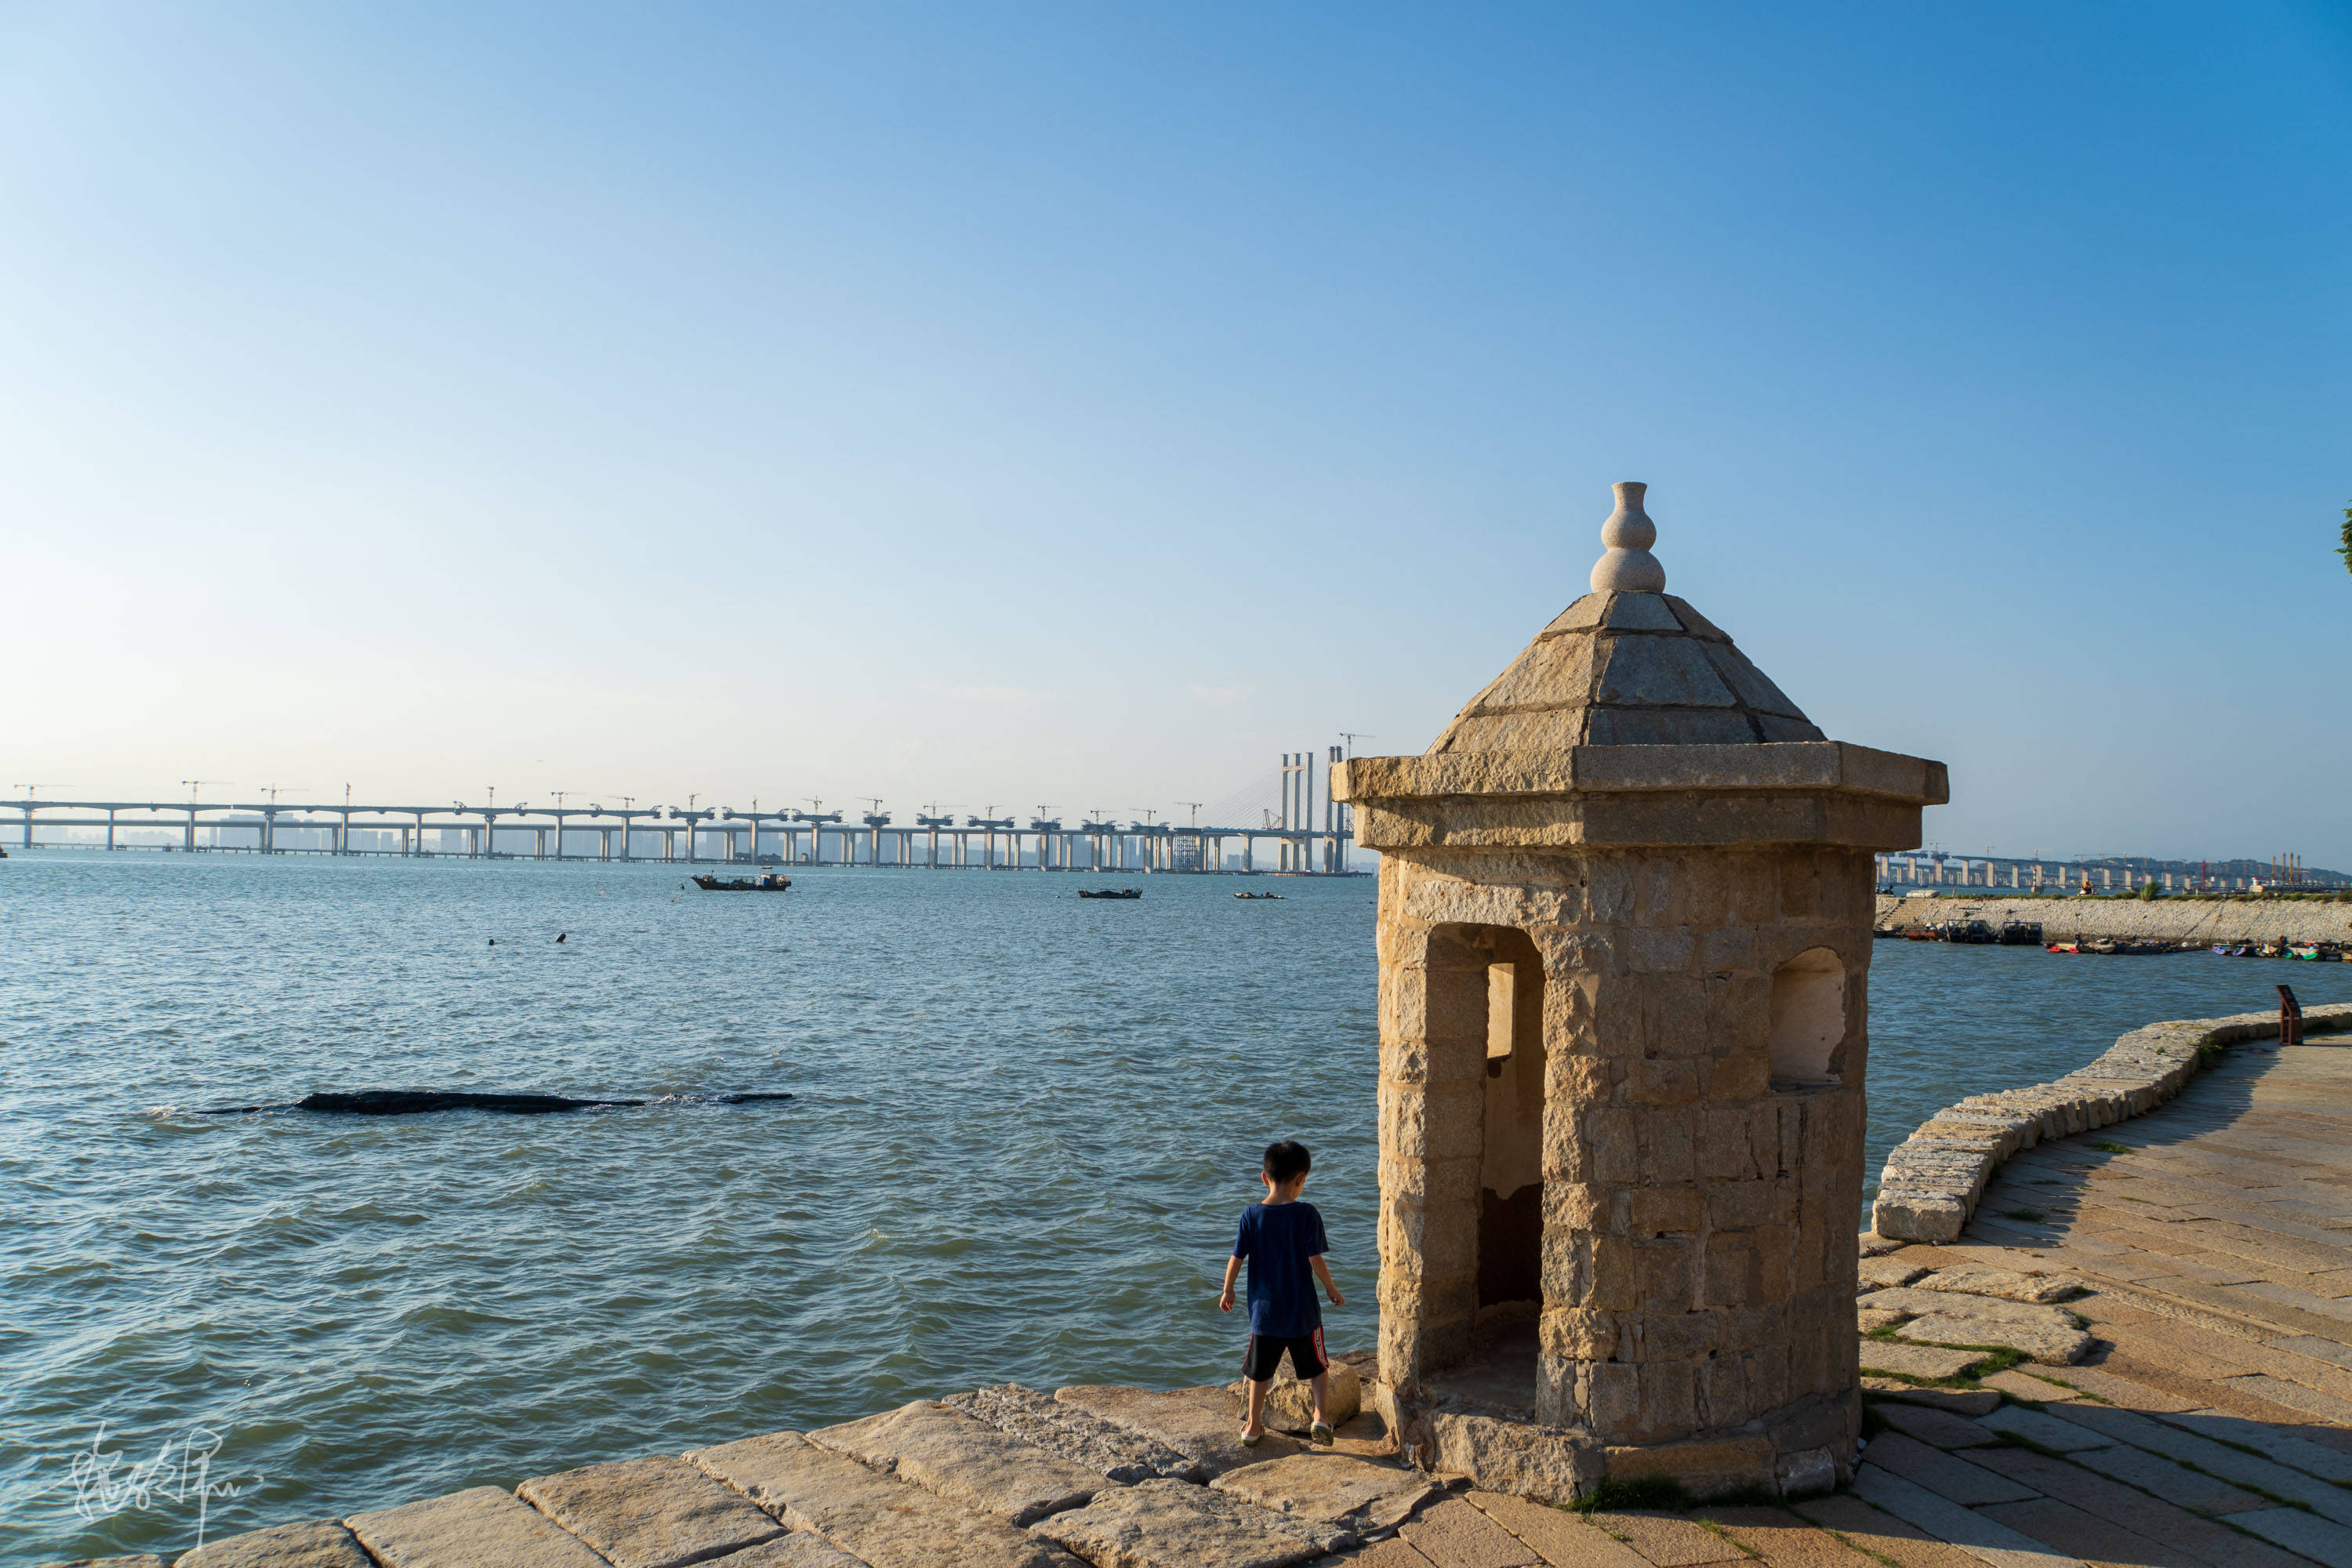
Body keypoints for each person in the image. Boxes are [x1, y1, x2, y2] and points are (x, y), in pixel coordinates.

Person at [1218, 1139, 1344, 1446]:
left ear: (1265, 1177)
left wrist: (1228, 1290)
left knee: (1259, 1373)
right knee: (1318, 1366)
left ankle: (1252, 1425)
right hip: (1302, 1312)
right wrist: (1330, 1287)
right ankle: (1320, 1417)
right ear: (1301, 1180)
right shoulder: (1307, 1214)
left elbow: (1236, 1258)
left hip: (1265, 1313)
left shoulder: (1251, 1215)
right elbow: (1315, 1259)